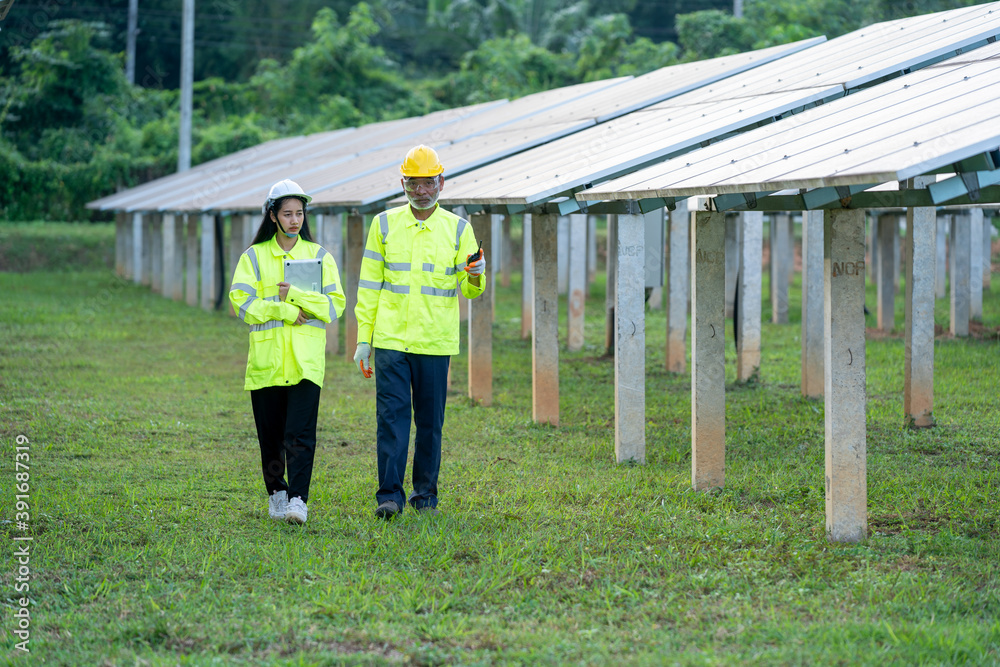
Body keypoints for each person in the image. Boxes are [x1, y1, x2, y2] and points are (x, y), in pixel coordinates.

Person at [353, 145, 486, 520]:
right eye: (414, 182)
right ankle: (389, 497)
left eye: (429, 182)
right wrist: (365, 339)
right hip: (391, 341)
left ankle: (425, 495)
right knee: (391, 418)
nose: (422, 190)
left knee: (429, 422)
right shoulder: (383, 225)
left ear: (441, 182)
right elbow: (369, 286)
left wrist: (476, 274)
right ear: (403, 183)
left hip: (434, 341)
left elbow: (471, 289)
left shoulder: (459, 228)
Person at [229, 179, 346, 525]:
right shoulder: (254, 256)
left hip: (306, 361)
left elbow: (334, 305)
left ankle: (298, 498)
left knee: (300, 434)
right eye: (287, 214)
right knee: (271, 435)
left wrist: (294, 296)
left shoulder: (319, 255)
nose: (295, 220)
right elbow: (241, 303)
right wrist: (282, 309)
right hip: (267, 361)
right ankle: (276, 493)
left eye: (299, 213)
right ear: (273, 216)